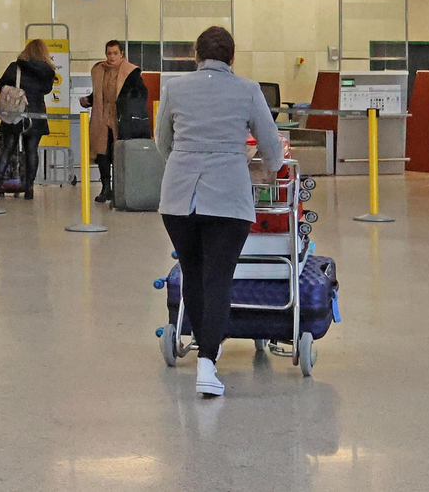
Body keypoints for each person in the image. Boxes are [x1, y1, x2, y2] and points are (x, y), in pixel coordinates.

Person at [157, 26, 282, 398]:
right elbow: (272, 149)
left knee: (193, 273)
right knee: (219, 278)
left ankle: (205, 344)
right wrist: (260, 168)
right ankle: (207, 362)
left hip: (179, 198)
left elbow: (163, 142)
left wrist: (186, 161)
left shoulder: (174, 88)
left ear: (196, 56)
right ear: (232, 58)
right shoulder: (247, 90)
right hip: (227, 198)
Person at [81, 40, 150, 203]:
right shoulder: (100, 70)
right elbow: (99, 93)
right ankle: (106, 188)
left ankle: (120, 189)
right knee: (102, 151)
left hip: (122, 117)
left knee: (119, 151)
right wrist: (89, 100)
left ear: (122, 55)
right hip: (102, 116)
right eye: (109, 53)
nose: (111, 57)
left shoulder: (131, 72)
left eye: (115, 53)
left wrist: (131, 108)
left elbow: (142, 94)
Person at [0, 39, 57, 200]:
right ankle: (29, 188)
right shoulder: (48, 71)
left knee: (7, 148)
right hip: (36, 112)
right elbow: (46, 90)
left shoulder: (15, 66)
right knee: (32, 150)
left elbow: (0, 86)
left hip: (15, 112)